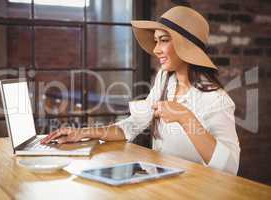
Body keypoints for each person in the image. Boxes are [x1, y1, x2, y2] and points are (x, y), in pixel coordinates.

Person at [41, 6, 240, 175]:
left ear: (185, 46)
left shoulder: (217, 100)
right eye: (156, 41)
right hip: (162, 186)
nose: (155, 49)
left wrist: (186, 118)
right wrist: (81, 133)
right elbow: (132, 125)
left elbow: (230, 168)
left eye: (163, 40)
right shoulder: (164, 80)